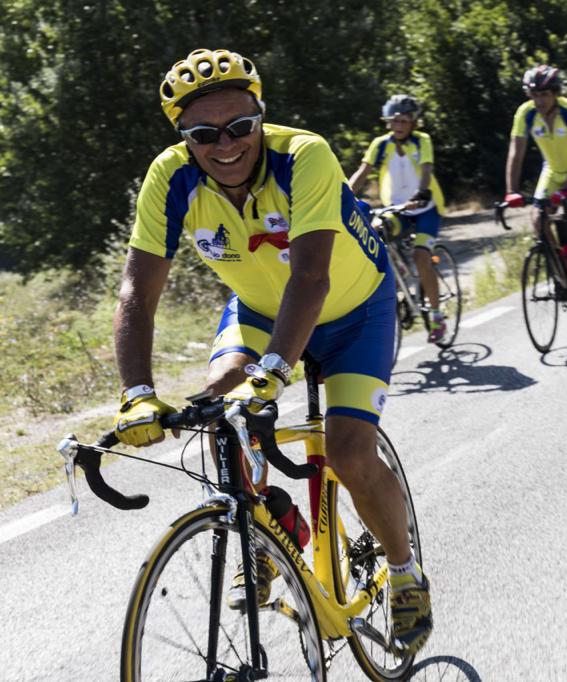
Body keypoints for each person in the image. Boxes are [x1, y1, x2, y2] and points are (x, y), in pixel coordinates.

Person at [112, 49, 432, 654]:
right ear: (184, 138)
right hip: (260, 312)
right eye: (204, 133)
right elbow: (137, 288)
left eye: (241, 126)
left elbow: (311, 279)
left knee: (346, 449)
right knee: (216, 406)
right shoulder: (170, 176)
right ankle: (267, 525)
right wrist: (136, 394)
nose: (226, 144)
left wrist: (277, 372)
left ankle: (404, 570)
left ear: (262, 117)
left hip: (352, 310)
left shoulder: (303, 155)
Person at [348, 94, 449, 342]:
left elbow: (426, 169)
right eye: (395, 121)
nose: (400, 126)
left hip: (425, 209)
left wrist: (421, 193)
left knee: (421, 257)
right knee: (376, 237)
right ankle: (397, 279)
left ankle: (437, 316)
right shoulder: (380, 144)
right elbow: (362, 173)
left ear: (413, 122)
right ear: (388, 122)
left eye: (404, 121)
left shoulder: (421, 141)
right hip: (397, 210)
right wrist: (342, 196)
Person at [505, 65, 567, 291]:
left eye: (545, 94)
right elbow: (516, 154)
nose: (540, 101)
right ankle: (562, 269)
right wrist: (511, 191)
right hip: (553, 170)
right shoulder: (525, 113)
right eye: (535, 95)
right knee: (538, 219)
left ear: (556, 93)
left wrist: (566, 189)